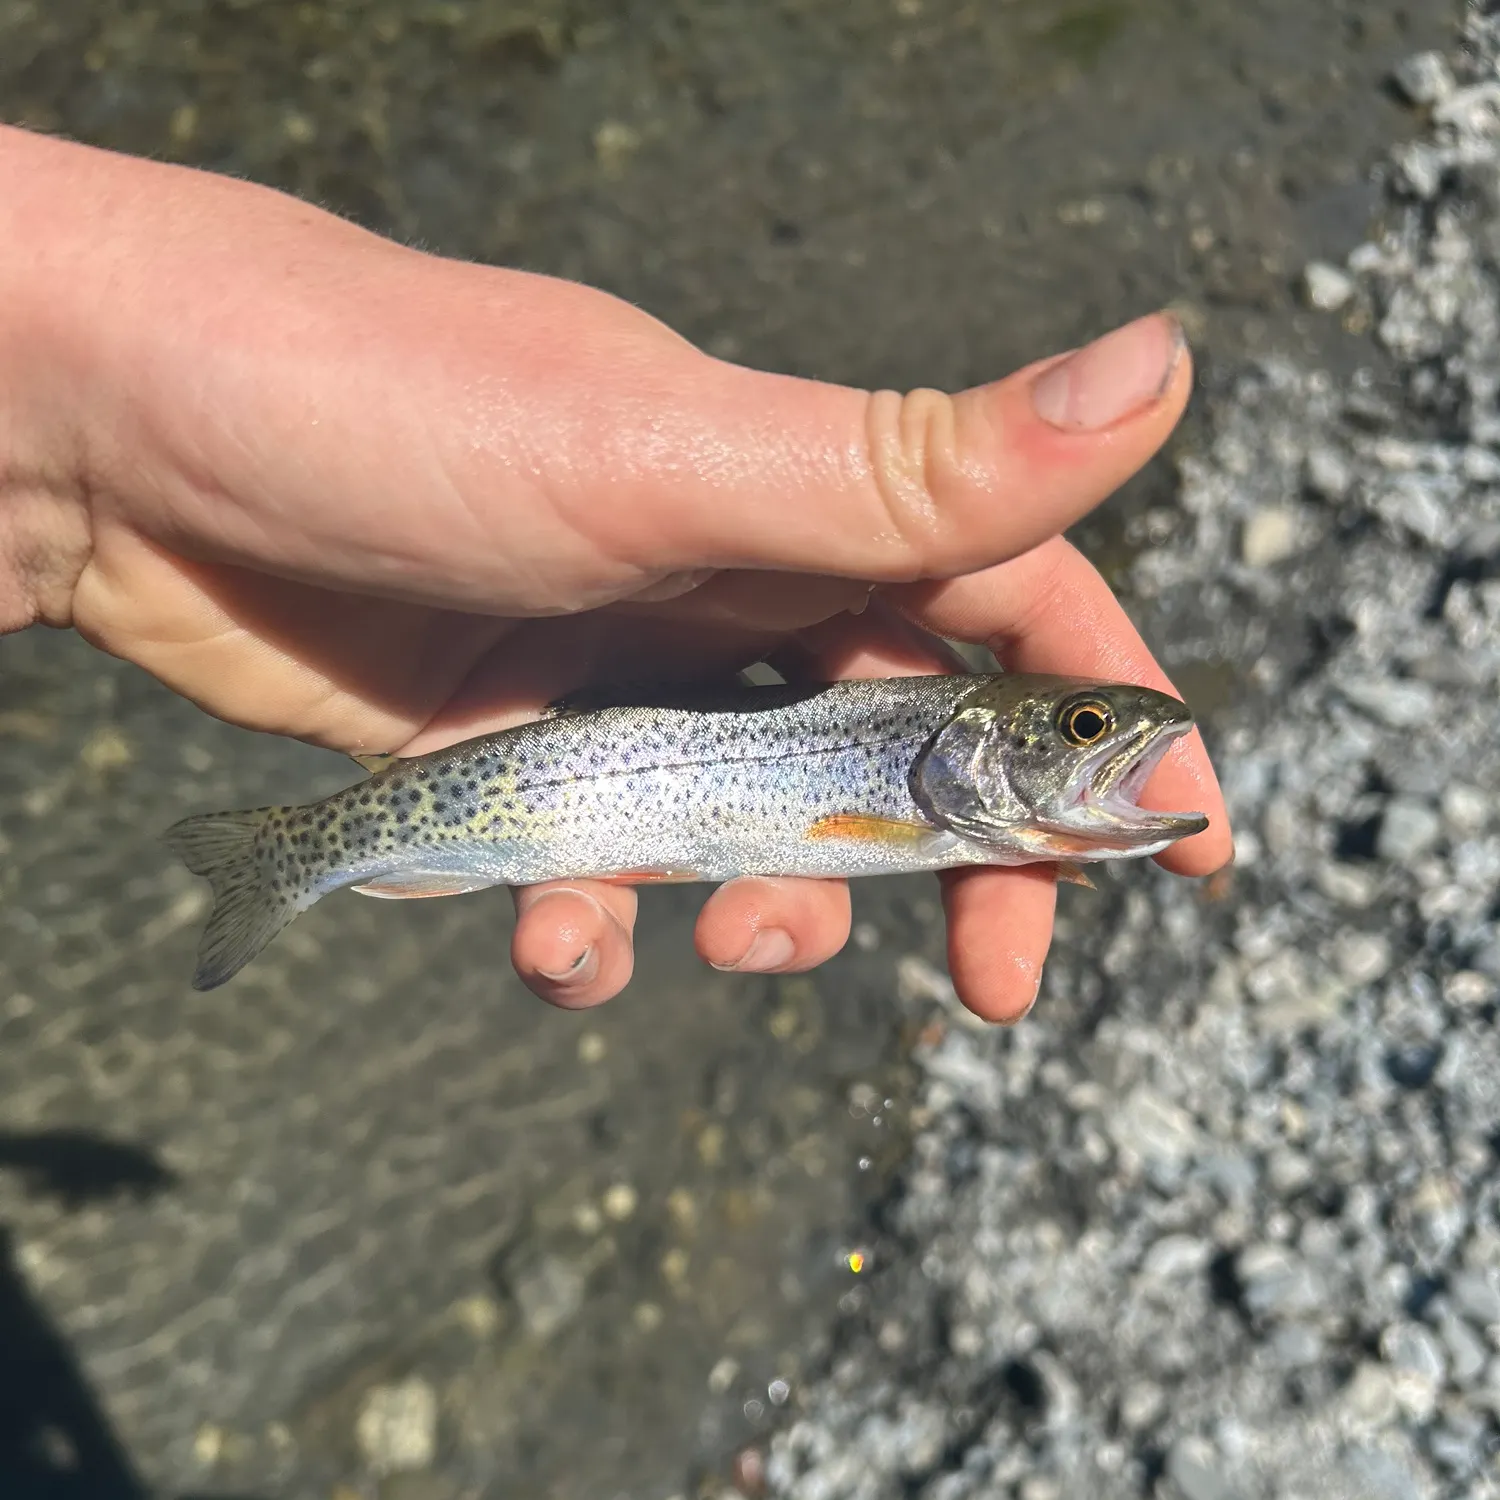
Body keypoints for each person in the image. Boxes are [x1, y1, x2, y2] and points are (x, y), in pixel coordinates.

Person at [0, 124, 1230, 1022]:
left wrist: (70, 462)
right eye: (1080, 725)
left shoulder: (929, 803)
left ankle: (301, 850)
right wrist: (75, 448)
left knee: (641, 925)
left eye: (1083, 726)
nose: (1098, 734)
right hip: (551, 753)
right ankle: (301, 850)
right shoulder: (909, 802)